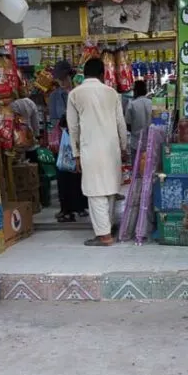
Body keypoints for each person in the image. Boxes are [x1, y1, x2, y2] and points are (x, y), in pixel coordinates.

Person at [66, 58, 128, 247]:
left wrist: (75, 153)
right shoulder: (112, 93)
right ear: (102, 74)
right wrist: (123, 148)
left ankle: (104, 235)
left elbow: (73, 127)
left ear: (84, 74)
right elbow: (121, 124)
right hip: (112, 150)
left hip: (90, 150)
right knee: (109, 190)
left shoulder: (75, 94)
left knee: (95, 193)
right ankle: (106, 228)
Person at [55, 114, 88, 222]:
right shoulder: (79, 129)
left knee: (66, 187)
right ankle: (79, 209)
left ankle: (67, 211)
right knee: (77, 185)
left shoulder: (65, 131)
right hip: (76, 164)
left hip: (66, 165)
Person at [124, 79, 152, 163]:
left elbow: (128, 124)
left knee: (136, 168)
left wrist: (135, 130)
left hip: (136, 142)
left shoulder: (132, 105)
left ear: (135, 91)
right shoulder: (152, 103)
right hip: (150, 141)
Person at [9, 97, 40, 163]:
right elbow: (35, 122)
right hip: (29, 136)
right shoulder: (30, 102)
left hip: (14, 137)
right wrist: (36, 134)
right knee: (32, 159)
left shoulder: (11, 103)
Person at [49, 60, 75, 130]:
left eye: (64, 78)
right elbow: (53, 120)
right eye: (59, 79)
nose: (61, 82)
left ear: (70, 76)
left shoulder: (79, 92)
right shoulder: (54, 96)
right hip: (64, 135)